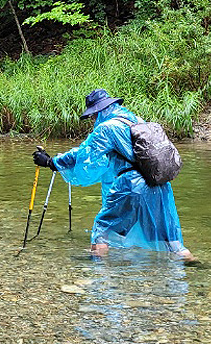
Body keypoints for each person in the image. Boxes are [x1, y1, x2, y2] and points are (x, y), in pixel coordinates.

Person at [33, 88, 193, 259]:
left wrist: (51, 162)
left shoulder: (107, 128)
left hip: (131, 184)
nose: (93, 119)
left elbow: (82, 154)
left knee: (103, 226)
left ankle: (99, 270)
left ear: (100, 110)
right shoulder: (136, 121)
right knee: (167, 237)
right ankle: (189, 260)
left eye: (93, 115)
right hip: (158, 185)